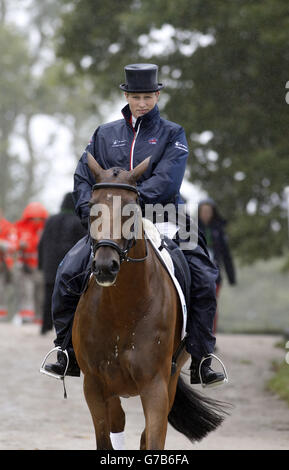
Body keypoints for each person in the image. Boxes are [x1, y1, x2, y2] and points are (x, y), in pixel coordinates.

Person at [44, 64, 226, 387]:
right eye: (135, 96)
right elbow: (82, 177)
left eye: (147, 96)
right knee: (67, 270)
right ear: (125, 95)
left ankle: (202, 356)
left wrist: (132, 204)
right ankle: (65, 350)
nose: (141, 103)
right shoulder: (104, 134)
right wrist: (91, 212)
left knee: (203, 273)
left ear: (157, 95)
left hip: (164, 215)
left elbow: (168, 181)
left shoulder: (173, 134)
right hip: (109, 220)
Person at [38, 193, 87, 334]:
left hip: (49, 264)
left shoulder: (50, 220)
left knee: (48, 296)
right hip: (68, 268)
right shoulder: (78, 222)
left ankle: (45, 327)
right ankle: (66, 329)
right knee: (69, 298)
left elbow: (41, 244)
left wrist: (41, 264)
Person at [198, 198, 236, 333]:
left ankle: (210, 335)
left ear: (213, 212)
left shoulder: (219, 230)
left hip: (215, 274)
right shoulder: (192, 228)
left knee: (212, 304)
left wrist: (231, 276)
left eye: (208, 211)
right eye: (203, 211)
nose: (206, 214)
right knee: (199, 304)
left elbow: (226, 255)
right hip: (198, 273)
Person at [14, 202, 48, 322]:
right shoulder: (19, 227)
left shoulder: (46, 228)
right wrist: (20, 245)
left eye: (39, 218)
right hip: (24, 265)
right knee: (25, 291)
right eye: (33, 218)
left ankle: (39, 318)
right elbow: (14, 243)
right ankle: (25, 316)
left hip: (40, 266)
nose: (36, 220)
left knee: (40, 292)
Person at [0, 210, 17, 319]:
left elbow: (13, 245)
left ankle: (2, 312)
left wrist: (1, 244)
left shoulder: (7, 227)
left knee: (2, 288)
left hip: (3, 263)